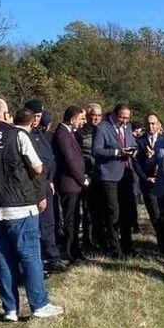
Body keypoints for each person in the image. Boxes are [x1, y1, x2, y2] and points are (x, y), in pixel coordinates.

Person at [0, 99, 63, 322]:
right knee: (30, 255)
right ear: (5, 114)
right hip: (19, 205)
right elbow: (37, 166)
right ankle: (39, 304)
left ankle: (10, 309)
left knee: (2, 258)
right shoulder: (17, 134)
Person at [92, 103, 140, 258]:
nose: (124, 121)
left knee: (126, 212)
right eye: (121, 117)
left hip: (126, 175)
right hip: (109, 176)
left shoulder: (127, 128)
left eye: (127, 118)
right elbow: (96, 150)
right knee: (113, 212)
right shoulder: (102, 128)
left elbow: (133, 144)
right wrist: (117, 152)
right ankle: (115, 248)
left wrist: (134, 151)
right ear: (114, 114)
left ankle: (128, 245)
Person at [25, 100, 65, 273]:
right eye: (35, 116)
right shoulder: (23, 135)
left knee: (49, 224)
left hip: (47, 184)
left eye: (39, 116)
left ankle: (52, 257)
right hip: (33, 187)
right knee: (37, 227)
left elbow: (49, 159)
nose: (37, 119)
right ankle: (39, 261)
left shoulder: (40, 133)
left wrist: (50, 180)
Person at [53, 106, 89, 262]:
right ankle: (70, 252)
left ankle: (75, 250)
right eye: (81, 119)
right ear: (73, 119)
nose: (84, 122)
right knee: (70, 220)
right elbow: (70, 160)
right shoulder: (62, 134)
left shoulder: (68, 133)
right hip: (69, 184)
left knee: (74, 219)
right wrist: (82, 179)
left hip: (74, 183)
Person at [135, 113, 164, 255]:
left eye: (153, 123)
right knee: (155, 215)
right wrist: (146, 177)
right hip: (148, 184)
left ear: (159, 124)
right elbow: (136, 163)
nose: (151, 126)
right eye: (148, 123)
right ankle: (163, 245)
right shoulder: (139, 141)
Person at [77, 103, 104, 251]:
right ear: (87, 116)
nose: (96, 118)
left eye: (99, 115)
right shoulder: (80, 133)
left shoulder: (104, 130)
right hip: (87, 175)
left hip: (103, 175)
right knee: (87, 210)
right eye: (94, 115)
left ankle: (100, 238)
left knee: (101, 209)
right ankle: (88, 240)